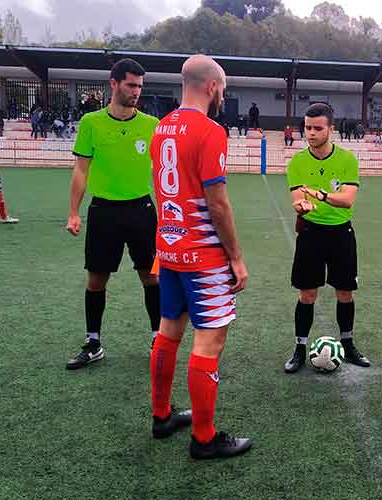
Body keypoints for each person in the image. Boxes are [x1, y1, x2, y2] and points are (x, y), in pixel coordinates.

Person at [149, 54, 253, 459]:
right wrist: (237, 258)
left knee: (168, 331)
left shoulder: (161, 128)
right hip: (203, 253)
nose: (223, 94)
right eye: (222, 87)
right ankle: (205, 439)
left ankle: (161, 416)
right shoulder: (210, 131)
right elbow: (218, 202)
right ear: (211, 86)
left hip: (169, 248)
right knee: (209, 341)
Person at [64, 59, 162, 370]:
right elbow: (81, 170)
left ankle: (157, 339)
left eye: (139, 87)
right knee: (96, 280)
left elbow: (162, 173)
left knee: (151, 276)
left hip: (142, 210)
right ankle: (93, 343)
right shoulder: (91, 122)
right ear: (114, 84)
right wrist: (73, 212)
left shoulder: (151, 125)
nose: (136, 91)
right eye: (131, 85)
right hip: (103, 210)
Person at [283, 102, 371, 373]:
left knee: (344, 292)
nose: (311, 133)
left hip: (341, 234)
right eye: (308, 128)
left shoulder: (347, 160)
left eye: (318, 128)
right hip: (310, 234)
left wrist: (321, 196)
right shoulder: (297, 162)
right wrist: (302, 207)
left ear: (330, 129)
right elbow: (298, 198)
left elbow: (347, 201)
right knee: (307, 294)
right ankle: (299, 349)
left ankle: (348, 344)